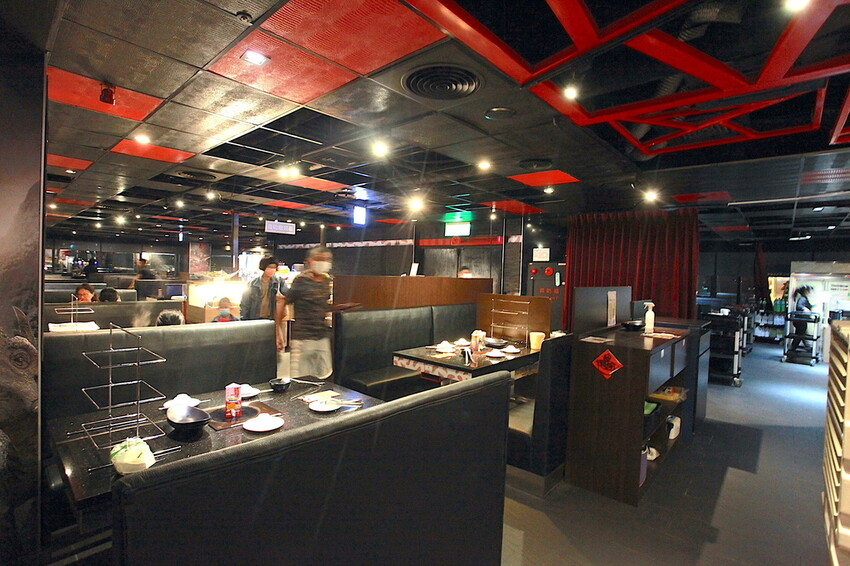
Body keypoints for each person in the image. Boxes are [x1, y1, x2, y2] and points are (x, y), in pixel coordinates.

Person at [279, 247, 358, 379]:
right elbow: (283, 301)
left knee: (324, 375)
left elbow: (322, 305)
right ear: (310, 261)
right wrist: (277, 332)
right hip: (303, 337)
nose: (324, 262)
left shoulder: (326, 281)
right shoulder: (301, 280)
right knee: (302, 379)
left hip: (322, 336)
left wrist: (339, 307)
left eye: (327, 259)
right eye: (320, 259)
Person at [241, 256, 287, 350]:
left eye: (274, 268)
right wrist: (244, 320)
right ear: (263, 267)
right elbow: (245, 304)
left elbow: (288, 294)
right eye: (269, 267)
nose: (272, 270)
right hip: (255, 319)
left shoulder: (279, 282)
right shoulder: (253, 283)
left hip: (271, 320)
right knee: (255, 347)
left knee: (271, 347)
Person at [790, 285, 813, 352]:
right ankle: (793, 349)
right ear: (806, 291)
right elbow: (799, 306)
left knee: (801, 335)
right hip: (801, 321)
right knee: (800, 335)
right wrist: (804, 308)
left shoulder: (803, 298)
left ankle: (807, 347)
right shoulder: (803, 299)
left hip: (800, 320)